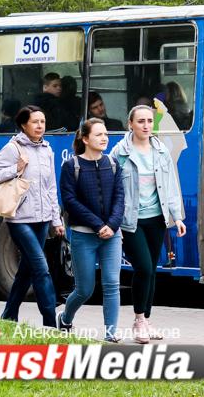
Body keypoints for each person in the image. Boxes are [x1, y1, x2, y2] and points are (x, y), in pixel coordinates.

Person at [0, 105, 65, 328]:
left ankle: (9, 315)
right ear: (23, 125)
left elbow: (50, 187)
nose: (40, 126)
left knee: (27, 268)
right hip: (19, 218)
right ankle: (51, 324)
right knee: (41, 267)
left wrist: (56, 220)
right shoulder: (13, 148)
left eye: (43, 122)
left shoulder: (47, 149)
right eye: (35, 122)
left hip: (43, 219)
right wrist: (15, 169)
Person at [110, 105, 186, 344]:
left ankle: (147, 318)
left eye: (149, 121)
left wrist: (177, 216)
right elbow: (112, 190)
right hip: (130, 221)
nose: (145, 125)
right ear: (130, 124)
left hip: (157, 218)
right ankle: (139, 320)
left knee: (151, 270)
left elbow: (171, 185)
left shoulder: (161, 150)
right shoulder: (119, 153)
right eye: (140, 121)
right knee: (142, 267)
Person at [57, 118, 124, 342]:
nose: (104, 138)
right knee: (85, 288)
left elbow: (120, 198)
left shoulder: (113, 164)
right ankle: (65, 318)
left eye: (106, 134)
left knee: (112, 283)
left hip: (112, 236)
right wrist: (98, 225)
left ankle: (111, 333)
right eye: (98, 135)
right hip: (82, 235)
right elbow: (69, 201)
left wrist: (112, 226)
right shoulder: (71, 166)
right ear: (85, 139)